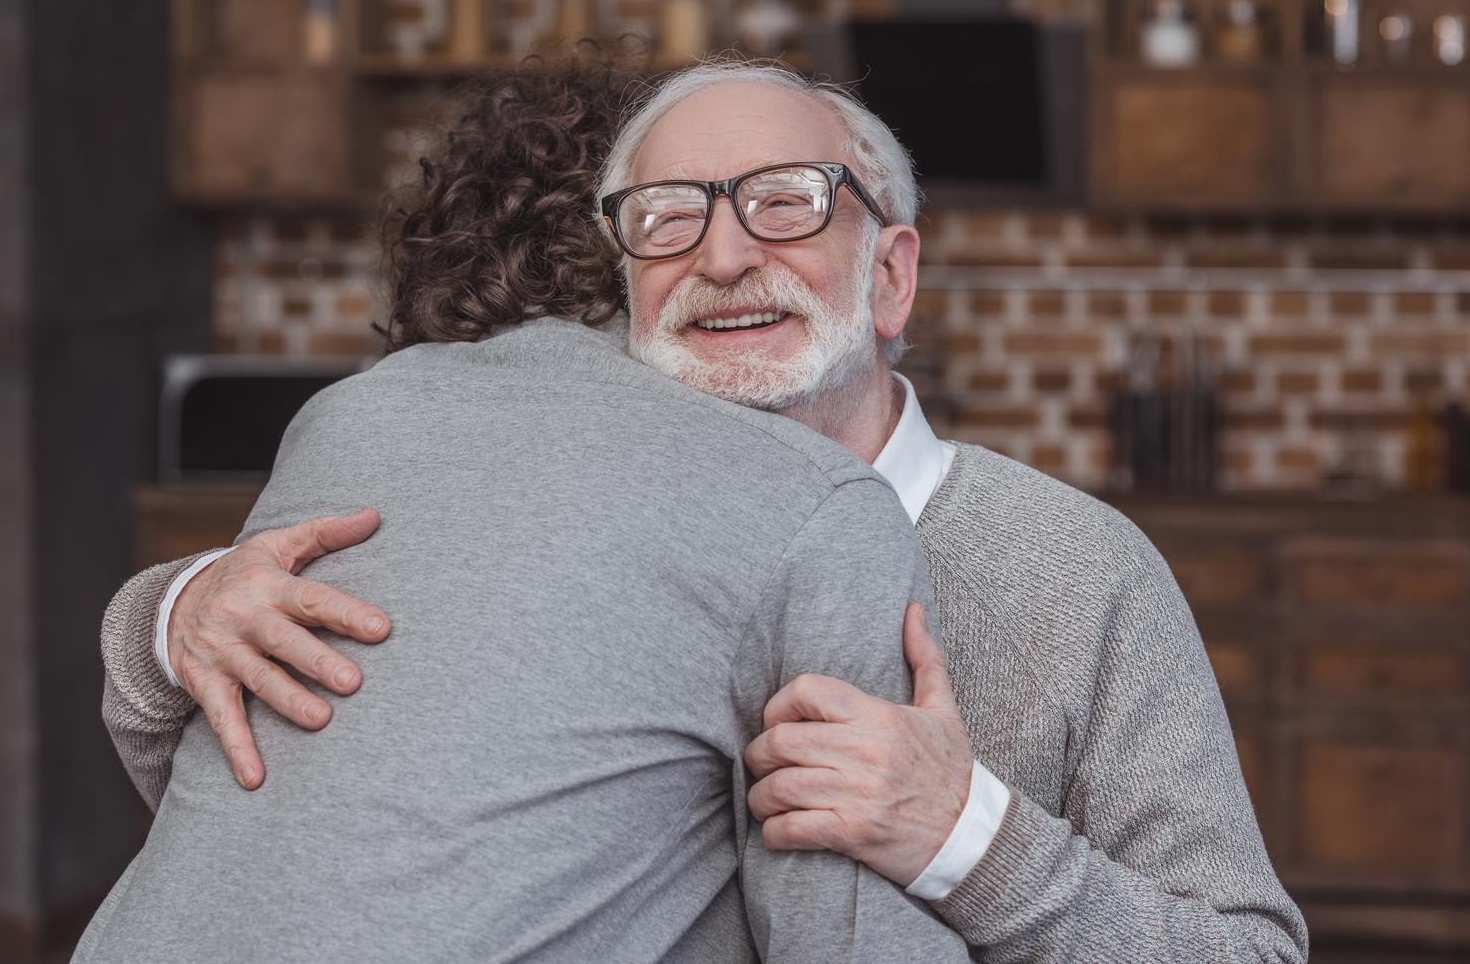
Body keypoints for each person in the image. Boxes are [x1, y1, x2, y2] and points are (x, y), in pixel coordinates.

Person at [100, 58, 1309, 962]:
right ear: (621, 286)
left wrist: (970, 838)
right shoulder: (544, 524)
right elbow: (310, 834)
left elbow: (1251, 951)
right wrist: (174, 615)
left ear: (890, 276)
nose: (723, 257)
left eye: (785, 202)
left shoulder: (1074, 572)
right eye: (669, 217)